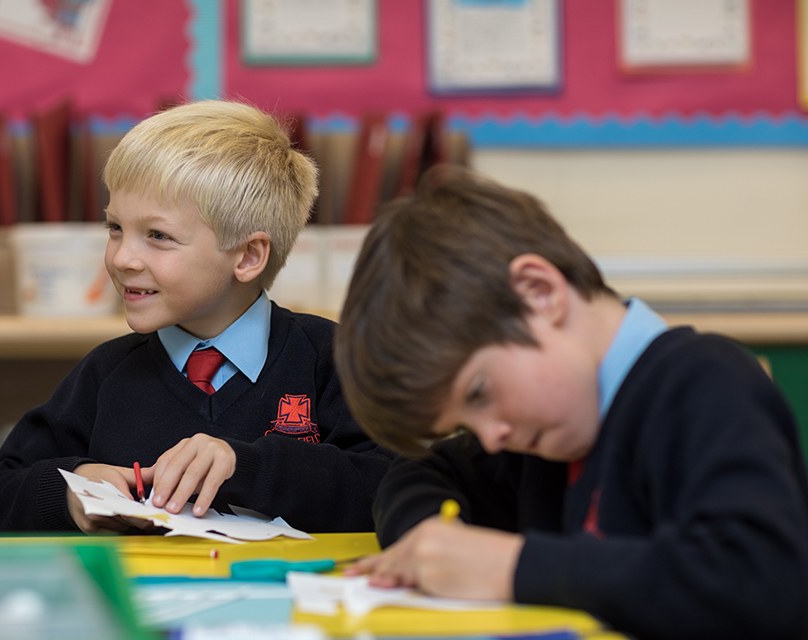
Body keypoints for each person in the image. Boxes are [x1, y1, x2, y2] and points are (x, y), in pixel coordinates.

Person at [333, 166, 808, 639]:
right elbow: (417, 472)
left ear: (538, 293)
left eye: (479, 392)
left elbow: (762, 579)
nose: (492, 439)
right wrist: (434, 539)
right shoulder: (545, 436)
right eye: (468, 426)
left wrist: (512, 567)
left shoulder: (703, 383)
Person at [0, 100, 392, 534]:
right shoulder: (103, 375)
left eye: (158, 236)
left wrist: (249, 466)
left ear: (248, 256)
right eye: (115, 228)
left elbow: (390, 487)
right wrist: (68, 492)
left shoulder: (332, 360)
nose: (121, 258)